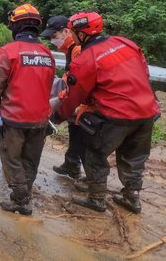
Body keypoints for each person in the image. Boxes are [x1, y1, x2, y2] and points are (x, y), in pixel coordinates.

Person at [54, 12, 160, 213]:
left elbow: (75, 96)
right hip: (147, 111)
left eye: (74, 33)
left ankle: (96, 199)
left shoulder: (85, 59)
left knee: (95, 153)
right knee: (134, 157)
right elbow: (144, 72)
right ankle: (132, 198)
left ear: (82, 35)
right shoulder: (125, 43)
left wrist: (59, 115)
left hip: (115, 115)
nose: (73, 38)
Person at [0, 4, 55, 215]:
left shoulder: (7, 52)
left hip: (13, 117)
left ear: (15, 26)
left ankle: (21, 200)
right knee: (30, 159)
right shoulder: (47, 54)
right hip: (40, 118)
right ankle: (26, 192)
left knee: (11, 158)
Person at [41, 16, 86, 191]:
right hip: (76, 96)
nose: (53, 40)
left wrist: (58, 100)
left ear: (66, 31)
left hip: (84, 97)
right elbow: (69, 77)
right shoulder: (70, 48)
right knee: (75, 126)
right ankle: (72, 164)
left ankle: (92, 181)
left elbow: (75, 82)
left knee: (83, 133)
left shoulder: (78, 49)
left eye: (55, 35)